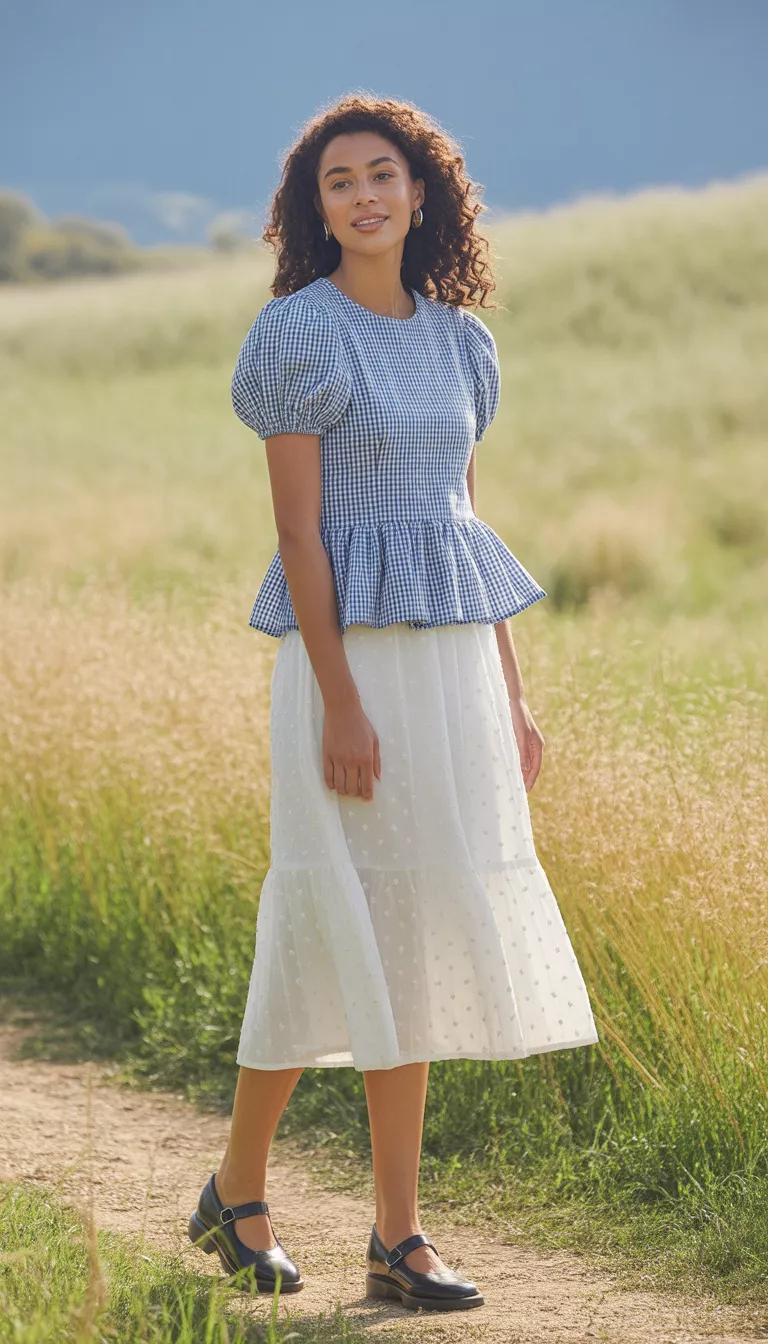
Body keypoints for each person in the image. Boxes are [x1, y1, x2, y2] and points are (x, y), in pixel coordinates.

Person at [188, 92, 599, 1314]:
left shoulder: (463, 342)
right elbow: (301, 537)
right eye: (336, 183)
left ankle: (396, 1237)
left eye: (382, 173)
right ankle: (240, 1188)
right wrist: (341, 700)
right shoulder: (297, 337)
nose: (362, 195)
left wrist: (513, 702)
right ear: (314, 213)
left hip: (454, 671)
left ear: (424, 193)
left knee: (415, 933)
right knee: (328, 920)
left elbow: (463, 529)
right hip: (347, 670)